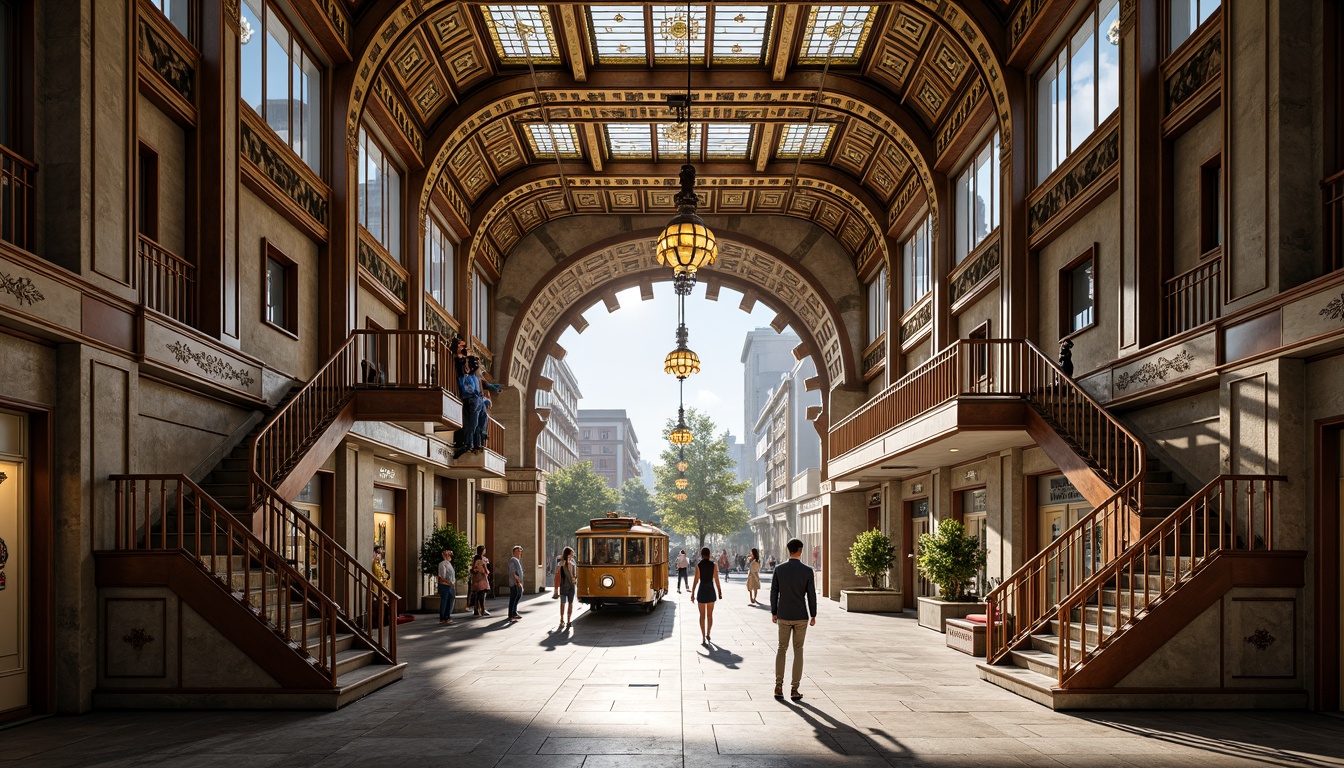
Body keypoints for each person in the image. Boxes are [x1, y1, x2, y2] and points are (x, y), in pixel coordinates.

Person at [771, 538, 818, 701]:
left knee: (781, 648)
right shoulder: (807, 570)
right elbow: (811, 594)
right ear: (800, 550)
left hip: (783, 614)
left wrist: (774, 612)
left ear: (788, 550)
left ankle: (778, 686)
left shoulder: (779, 569)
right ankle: (794, 689)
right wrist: (813, 614)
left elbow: (774, 592)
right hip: (800, 616)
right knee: (798, 650)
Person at [691, 546, 722, 644]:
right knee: (710, 615)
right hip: (710, 591)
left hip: (702, 591)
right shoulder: (714, 565)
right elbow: (716, 579)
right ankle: (708, 633)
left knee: (702, 616)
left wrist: (692, 593)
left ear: (701, 554)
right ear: (709, 554)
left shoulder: (698, 565)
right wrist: (720, 591)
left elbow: (696, 580)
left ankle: (702, 636)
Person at [553, 546, 577, 629]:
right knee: (563, 603)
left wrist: (575, 578)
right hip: (563, 586)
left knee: (570, 603)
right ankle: (562, 619)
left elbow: (575, 574)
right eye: (570, 555)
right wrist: (556, 589)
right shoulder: (561, 564)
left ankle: (569, 621)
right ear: (567, 554)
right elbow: (557, 576)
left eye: (572, 555)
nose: (571, 557)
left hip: (571, 586)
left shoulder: (573, 563)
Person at [372, 545, 393, 628]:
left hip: (383, 583)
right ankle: (381, 620)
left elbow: (382, 570)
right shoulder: (375, 561)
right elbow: (377, 572)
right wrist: (384, 575)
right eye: (380, 550)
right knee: (380, 602)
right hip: (378, 583)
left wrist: (386, 575)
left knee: (386, 601)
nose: (382, 551)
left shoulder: (380, 561)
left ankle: (386, 619)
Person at [470, 546, 492, 617]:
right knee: (482, 595)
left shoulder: (475, 559)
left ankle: (476, 610)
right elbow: (485, 570)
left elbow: (473, 569)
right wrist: (487, 572)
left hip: (476, 579)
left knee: (477, 595)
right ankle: (482, 609)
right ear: (482, 551)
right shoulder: (482, 560)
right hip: (482, 578)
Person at [437, 548, 456, 625]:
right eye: (449, 554)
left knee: (450, 600)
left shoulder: (449, 563)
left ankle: (447, 616)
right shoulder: (443, 564)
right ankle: (443, 618)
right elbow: (442, 576)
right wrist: (449, 582)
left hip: (449, 585)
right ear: (446, 555)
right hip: (445, 585)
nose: (450, 555)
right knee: (445, 601)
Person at [507, 545, 525, 621]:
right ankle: (511, 614)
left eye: (520, 551)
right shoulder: (513, 560)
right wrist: (517, 581)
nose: (519, 553)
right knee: (513, 598)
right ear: (514, 552)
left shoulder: (517, 561)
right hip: (514, 583)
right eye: (518, 551)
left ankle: (514, 612)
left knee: (518, 596)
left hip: (517, 582)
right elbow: (513, 572)